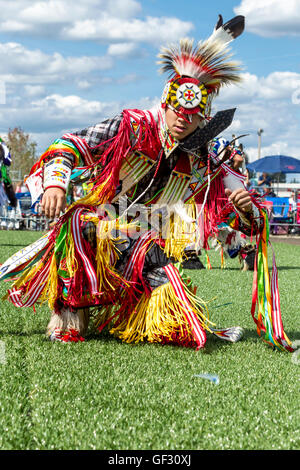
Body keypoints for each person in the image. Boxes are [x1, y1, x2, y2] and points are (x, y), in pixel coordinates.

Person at [0, 15, 293, 352]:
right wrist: (55, 184)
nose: (183, 119)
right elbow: (70, 145)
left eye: (193, 115)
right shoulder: (132, 127)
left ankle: (129, 316)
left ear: (203, 118)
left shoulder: (200, 160)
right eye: (178, 110)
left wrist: (245, 210)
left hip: (143, 242)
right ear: (167, 101)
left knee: (184, 327)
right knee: (82, 226)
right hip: (100, 228)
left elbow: (242, 224)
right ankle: (68, 317)